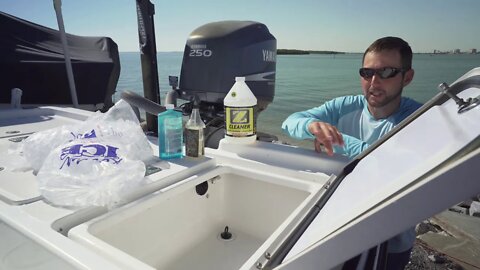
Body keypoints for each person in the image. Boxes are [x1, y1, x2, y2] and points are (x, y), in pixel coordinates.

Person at [282, 36, 422, 269]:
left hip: (389, 238)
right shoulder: (346, 105)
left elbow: (386, 161)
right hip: (339, 225)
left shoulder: (418, 118)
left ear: (407, 77)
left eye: (386, 72)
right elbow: (291, 122)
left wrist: (337, 139)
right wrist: (311, 127)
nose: (374, 82)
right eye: (367, 73)